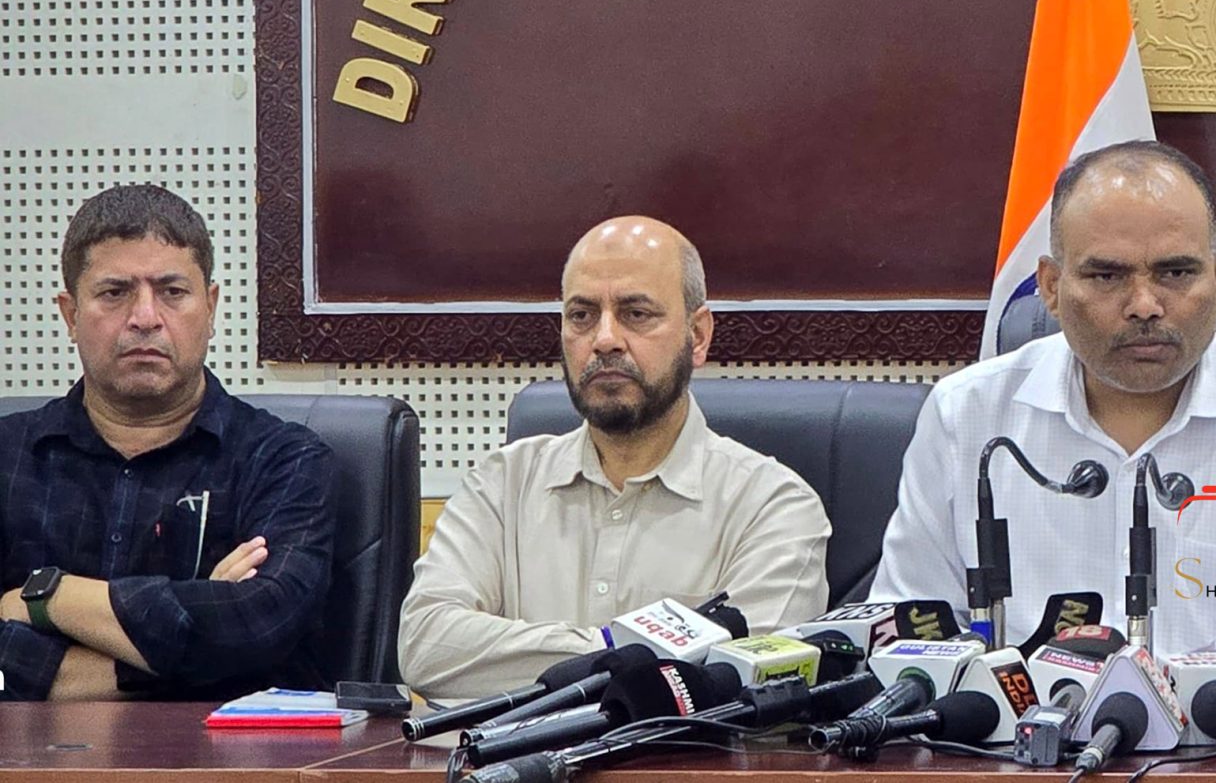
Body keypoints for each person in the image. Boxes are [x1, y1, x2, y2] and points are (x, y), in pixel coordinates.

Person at [874, 140, 1216, 652]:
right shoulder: (966, 416)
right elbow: (906, 637)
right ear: (1051, 287)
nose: (1144, 306)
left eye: (1175, 272)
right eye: (1107, 276)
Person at [398, 217, 831, 699]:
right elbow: (426, 645)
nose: (604, 339)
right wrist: (619, 651)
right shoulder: (502, 484)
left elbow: (742, 679)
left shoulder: (773, 506)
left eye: (636, 313)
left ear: (698, 335)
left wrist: (552, 657)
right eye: (582, 315)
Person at [0, 185, 336, 701]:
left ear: (211, 307)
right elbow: (235, 655)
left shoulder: (284, 460)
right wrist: (200, 647)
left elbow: (260, 624)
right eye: (114, 292)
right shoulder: (8, 456)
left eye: (172, 292)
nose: (145, 317)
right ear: (70, 314)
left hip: (221, 754)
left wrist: (46, 597)